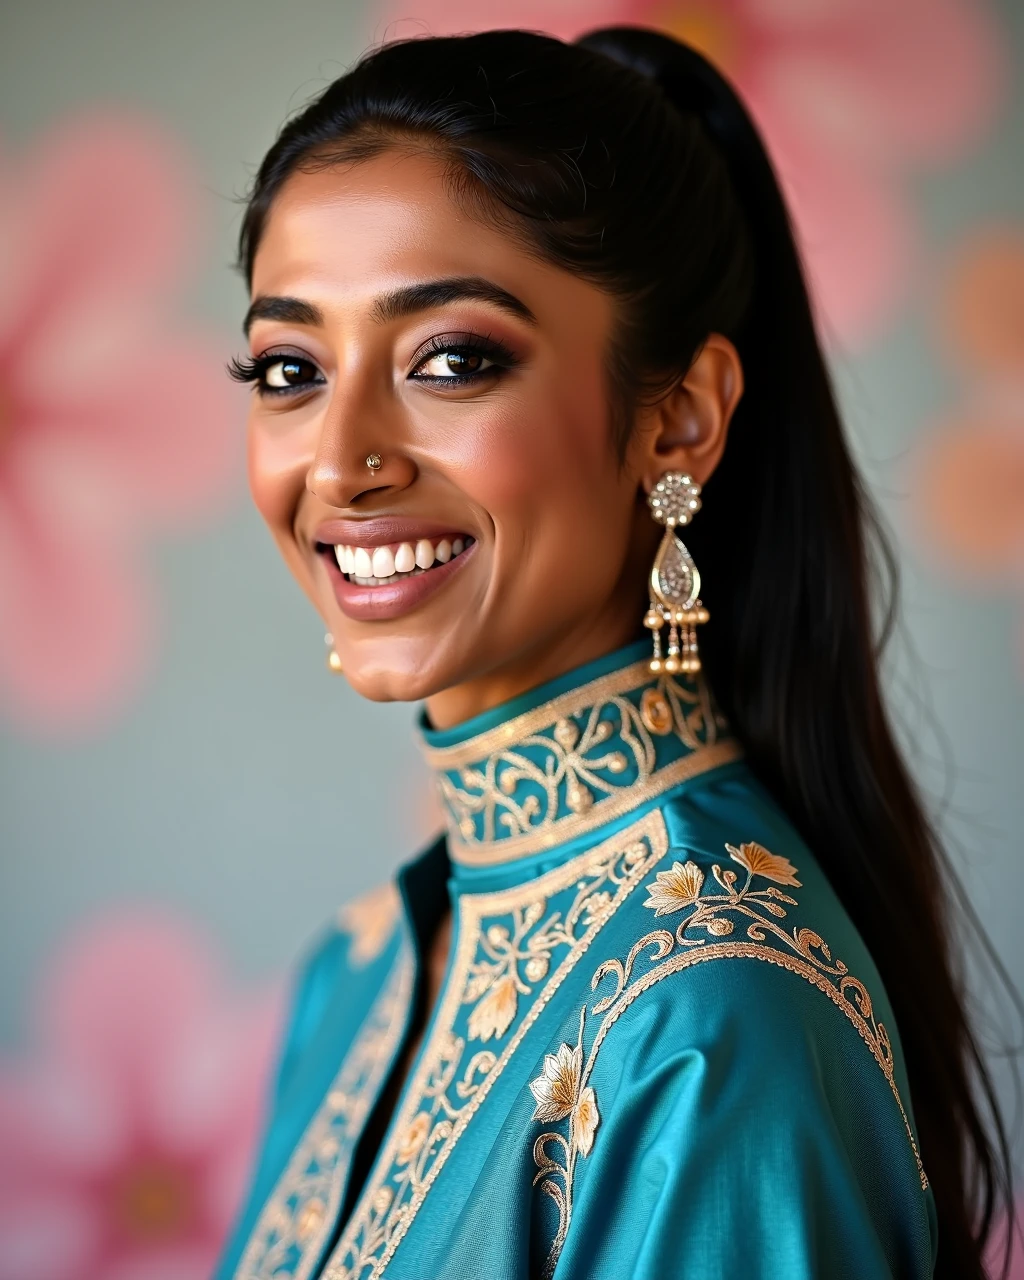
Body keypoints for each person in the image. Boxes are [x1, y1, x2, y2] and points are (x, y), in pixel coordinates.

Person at [215, 25, 1012, 1280]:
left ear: (678, 418)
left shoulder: (712, 1018)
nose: (337, 458)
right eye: (288, 367)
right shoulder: (357, 970)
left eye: (452, 359)